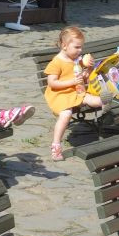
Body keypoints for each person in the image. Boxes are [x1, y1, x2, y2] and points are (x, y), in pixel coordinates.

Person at [43, 26, 105, 161]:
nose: (80, 50)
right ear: (64, 46)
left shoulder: (77, 60)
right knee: (66, 114)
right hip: (60, 95)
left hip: (77, 92)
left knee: (100, 101)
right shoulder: (57, 62)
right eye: (77, 47)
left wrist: (89, 69)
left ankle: (106, 122)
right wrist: (72, 81)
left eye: (81, 47)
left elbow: (84, 78)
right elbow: (52, 83)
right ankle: (56, 145)